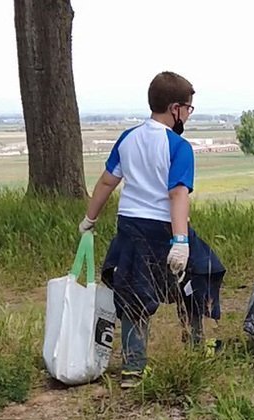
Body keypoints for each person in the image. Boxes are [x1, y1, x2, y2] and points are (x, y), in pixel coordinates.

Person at [78, 71, 225, 389]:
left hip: (129, 227)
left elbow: (107, 181)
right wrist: (181, 240)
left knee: (132, 292)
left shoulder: (128, 138)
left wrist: (90, 219)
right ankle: (195, 348)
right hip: (164, 227)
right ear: (175, 108)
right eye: (188, 107)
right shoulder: (178, 147)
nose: (188, 114)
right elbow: (177, 194)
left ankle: (133, 368)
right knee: (199, 274)